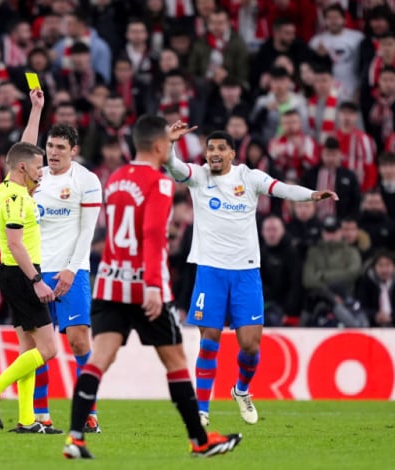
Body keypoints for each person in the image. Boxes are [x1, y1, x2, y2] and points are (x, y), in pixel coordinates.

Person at [63, 115, 243, 460]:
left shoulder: (114, 180)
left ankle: (75, 437)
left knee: (98, 359)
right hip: (143, 286)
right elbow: (152, 237)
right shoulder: (159, 184)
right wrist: (152, 287)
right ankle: (200, 440)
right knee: (175, 360)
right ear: (160, 147)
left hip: (109, 284)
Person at [162, 122, 338, 428]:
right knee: (210, 339)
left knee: (250, 346)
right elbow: (173, 166)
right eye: (210, 148)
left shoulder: (249, 177)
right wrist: (170, 142)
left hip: (245, 273)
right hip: (210, 271)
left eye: (220, 148)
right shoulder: (199, 176)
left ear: (232, 153)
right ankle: (202, 410)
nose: (214, 153)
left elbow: (282, 189)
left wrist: (312, 195)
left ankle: (241, 389)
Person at [22, 88, 103, 433]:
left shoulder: (87, 181)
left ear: (73, 151)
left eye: (59, 148)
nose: (52, 153)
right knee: (42, 346)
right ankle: (41, 415)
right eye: (49, 147)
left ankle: (89, 413)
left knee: (80, 341)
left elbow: (88, 231)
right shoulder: (33, 178)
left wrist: (72, 268)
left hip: (73, 270)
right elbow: (21, 153)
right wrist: (36, 110)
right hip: (36, 273)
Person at [0, 140, 58, 434]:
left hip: (11, 274)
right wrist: (37, 280)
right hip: (23, 275)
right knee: (48, 350)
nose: (42, 171)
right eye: (38, 166)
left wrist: (36, 109)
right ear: (23, 168)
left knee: (28, 348)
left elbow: (25, 146)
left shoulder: (4, 187)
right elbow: (14, 243)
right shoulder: (18, 198)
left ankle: (26, 420)